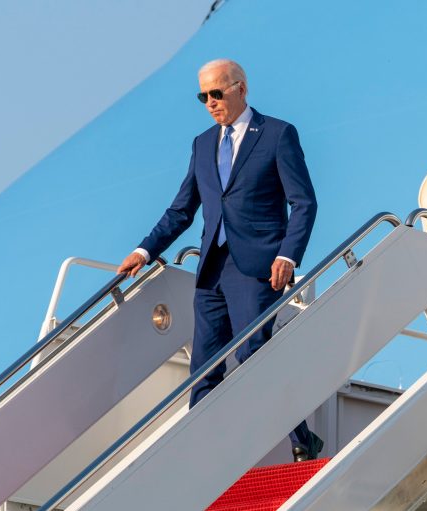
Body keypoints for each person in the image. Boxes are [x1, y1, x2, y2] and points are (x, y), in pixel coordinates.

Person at [118, 59, 321, 462]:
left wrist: (287, 254)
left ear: (241, 89)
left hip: (258, 270)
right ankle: (202, 456)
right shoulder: (202, 144)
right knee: (204, 369)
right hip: (211, 270)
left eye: (217, 93)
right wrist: (144, 250)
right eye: (203, 96)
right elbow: (181, 210)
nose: (210, 103)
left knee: (253, 355)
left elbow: (304, 202)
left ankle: (303, 437)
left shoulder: (278, 134)